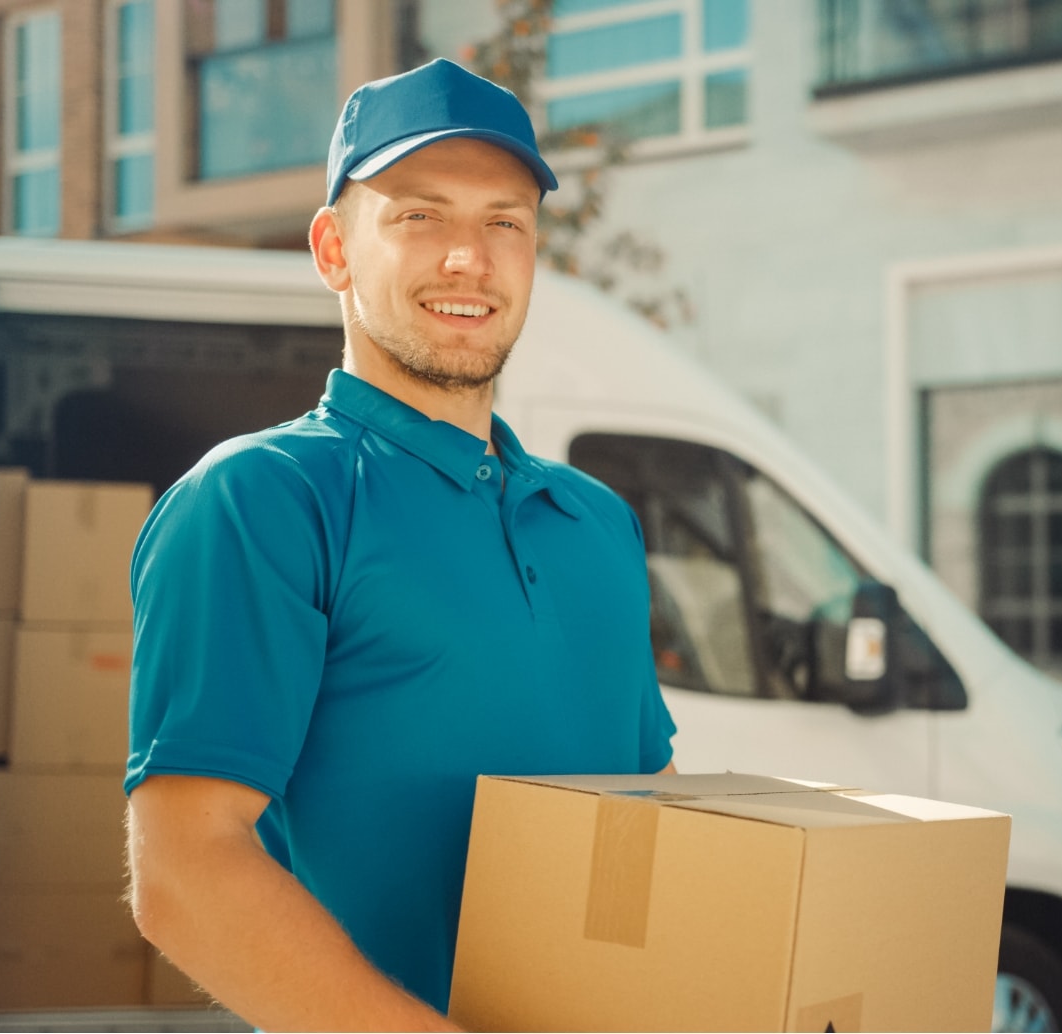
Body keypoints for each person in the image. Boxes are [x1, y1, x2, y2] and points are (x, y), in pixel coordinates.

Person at [123, 59, 677, 1032]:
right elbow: (184, 868)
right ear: (333, 249)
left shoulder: (597, 523)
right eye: (420, 216)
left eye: (503, 221)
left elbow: (647, 826)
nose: (469, 257)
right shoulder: (262, 500)